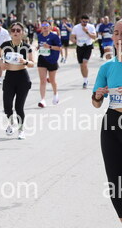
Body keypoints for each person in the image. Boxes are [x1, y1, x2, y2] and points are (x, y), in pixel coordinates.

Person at [92, 19, 122, 223]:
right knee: (115, 180)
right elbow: (96, 103)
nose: (120, 37)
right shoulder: (107, 67)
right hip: (111, 123)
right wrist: (98, 95)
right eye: (117, 33)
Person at [0, 22, 34, 140]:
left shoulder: (26, 47)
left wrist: (25, 62)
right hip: (9, 77)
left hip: (22, 78)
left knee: (19, 107)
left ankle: (21, 130)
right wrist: (1, 62)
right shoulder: (5, 45)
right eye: (13, 30)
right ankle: (11, 123)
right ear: (10, 32)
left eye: (18, 30)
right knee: (7, 106)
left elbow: (32, 63)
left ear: (22, 32)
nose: (15, 32)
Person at [36, 20, 62, 107]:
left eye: (46, 25)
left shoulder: (54, 36)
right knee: (42, 80)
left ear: (50, 27)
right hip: (42, 58)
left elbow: (59, 48)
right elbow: (40, 44)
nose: (44, 27)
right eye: (43, 25)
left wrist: (50, 47)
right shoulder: (39, 36)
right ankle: (42, 100)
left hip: (52, 60)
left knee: (52, 80)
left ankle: (55, 94)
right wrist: (38, 47)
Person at [70, 15, 98, 89]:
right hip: (79, 47)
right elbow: (72, 37)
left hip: (88, 46)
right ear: (81, 20)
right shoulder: (76, 27)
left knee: (85, 63)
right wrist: (74, 40)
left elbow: (94, 37)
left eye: (86, 22)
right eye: (83, 21)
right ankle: (85, 78)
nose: (85, 23)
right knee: (81, 65)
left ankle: (85, 81)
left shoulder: (91, 27)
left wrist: (87, 32)